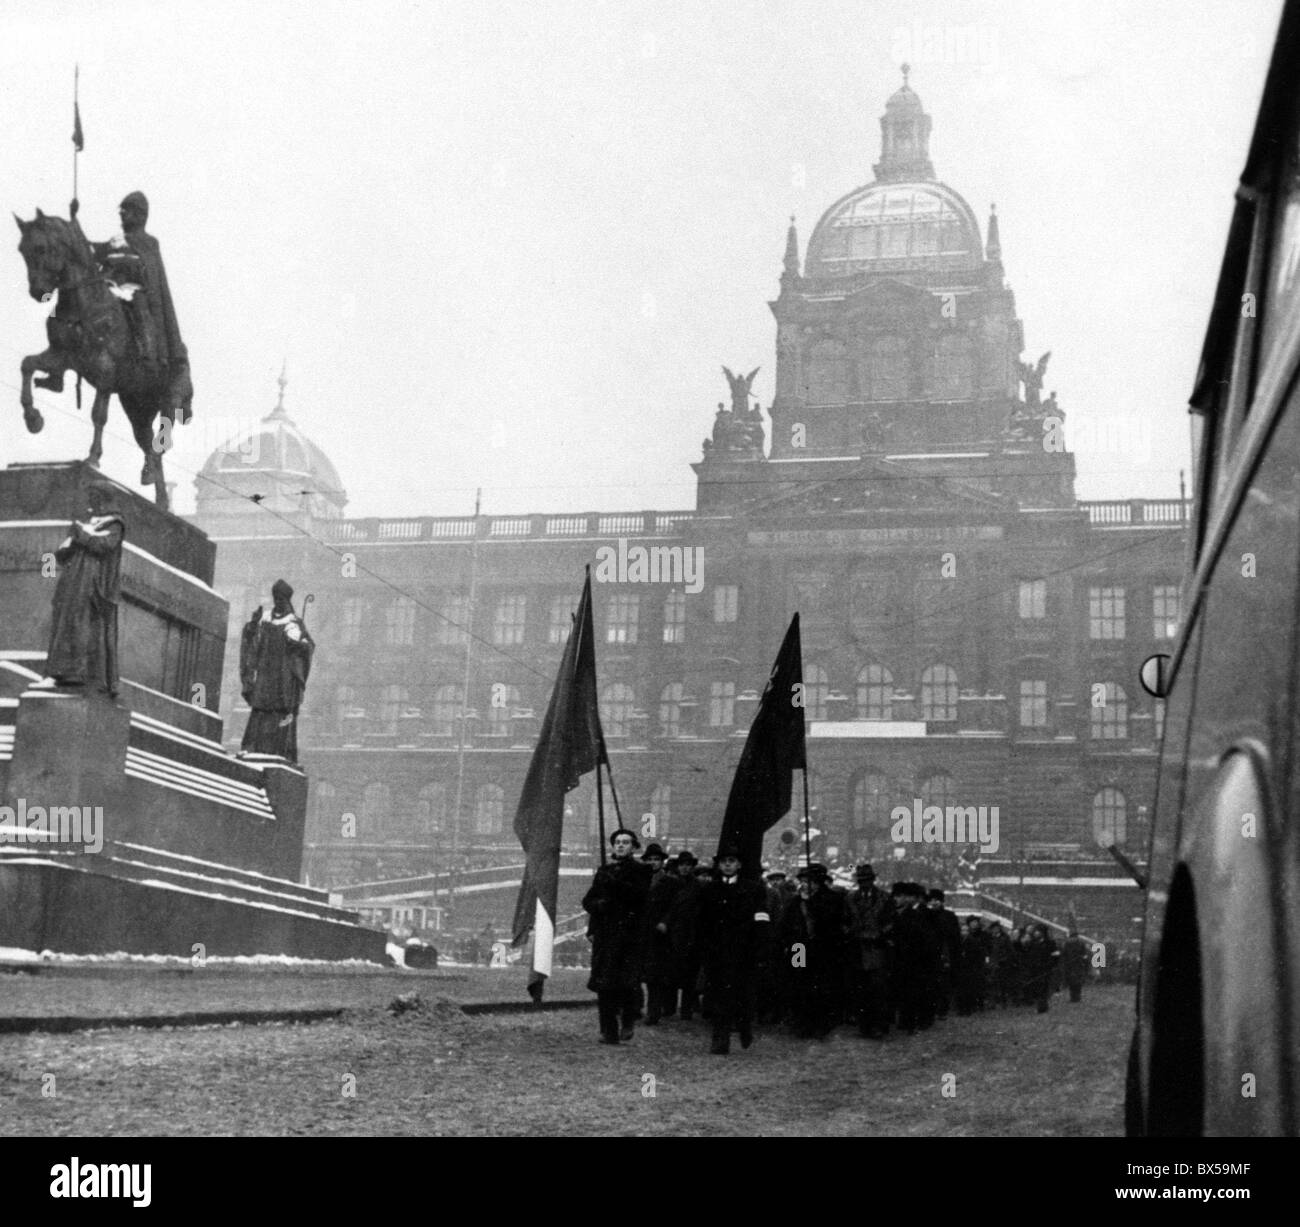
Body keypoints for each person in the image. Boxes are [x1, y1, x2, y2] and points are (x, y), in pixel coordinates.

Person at [90, 191, 191, 418]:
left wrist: (120, 261)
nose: (122, 215)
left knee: (140, 311)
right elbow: (94, 251)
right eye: (122, 211)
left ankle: (148, 354)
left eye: (127, 211)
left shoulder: (149, 242)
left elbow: (144, 269)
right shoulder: (117, 240)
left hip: (137, 293)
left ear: (140, 215)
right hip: (113, 290)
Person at [43, 484, 125, 697]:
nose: (91, 502)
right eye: (90, 497)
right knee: (67, 623)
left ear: (104, 499)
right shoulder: (87, 523)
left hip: (93, 585)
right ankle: (61, 670)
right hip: (73, 582)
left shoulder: (115, 523)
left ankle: (80, 672)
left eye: (95, 497)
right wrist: (68, 543)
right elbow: (62, 553)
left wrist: (81, 535)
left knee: (83, 626)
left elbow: (104, 546)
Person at [583, 828, 654, 1044]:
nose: (621, 845)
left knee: (626, 983)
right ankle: (608, 1030)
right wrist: (599, 905)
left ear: (633, 847)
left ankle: (628, 1018)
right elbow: (588, 901)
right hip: (606, 935)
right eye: (617, 842)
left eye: (625, 842)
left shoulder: (641, 871)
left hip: (629, 936)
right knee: (604, 984)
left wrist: (615, 885)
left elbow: (639, 896)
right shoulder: (604, 871)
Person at [697, 845, 769, 1054]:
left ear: (739, 865)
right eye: (724, 862)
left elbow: (762, 918)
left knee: (742, 994)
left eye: (732, 861)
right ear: (719, 866)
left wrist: (759, 946)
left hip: (743, 951)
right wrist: (704, 946)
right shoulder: (710, 890)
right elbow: (702, 920)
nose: (727, 865)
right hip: (717, 951)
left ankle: (745, 1027)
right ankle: (720, 1039)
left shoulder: (753, 889)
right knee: (718, 996)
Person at [239, 579, 315, 762]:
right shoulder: (264, 620)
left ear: (287, 600)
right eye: (276, 598)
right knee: (260, 712)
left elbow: (309, 647)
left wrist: (297, 645)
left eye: (282, 599)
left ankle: (281, 752)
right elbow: (251, 642)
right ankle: (254, 748)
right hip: (265, 677)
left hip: (283, 678)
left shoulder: (295, 622)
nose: (278, 602)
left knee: (281, 714)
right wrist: (251, 627)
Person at [779, 862, 846, 1039]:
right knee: (797, 983)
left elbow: (833, 922)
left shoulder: (832, 899)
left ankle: (820, 1024)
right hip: (798, 948)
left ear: (819, 882)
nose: (806, 884)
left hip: (822, 948)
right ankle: (800, 1022)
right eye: (803, 880)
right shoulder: (795, 901)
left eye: (810, 881)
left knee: (820, 986)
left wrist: (812, 904)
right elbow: (785, 924)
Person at [844, 863, 894, 1038]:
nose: (863, 884)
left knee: (878, 990)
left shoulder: (885, 898)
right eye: (861, 881)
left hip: (876, 950)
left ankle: (878, 1026)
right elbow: (844, 921)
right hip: (857, 949)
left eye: (867, 880)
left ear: (873, 880)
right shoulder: (850, 898)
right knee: (860, 989)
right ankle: (864, 1026)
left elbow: (891, 922)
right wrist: (850, 932)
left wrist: (879, 933)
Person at [641, 843, 680, 1024]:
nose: (653, 863)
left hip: (659, 934)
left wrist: (665, 922)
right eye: (649, 859)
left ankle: (653, 1011)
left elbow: (675, 907)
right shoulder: (638, 880)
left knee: (654, 976)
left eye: (656, 859)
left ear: (662, 862)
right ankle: (633, 1008)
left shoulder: (671, 882)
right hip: (640, 931)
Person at [926, 889, 963, 1020]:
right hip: (930, 953)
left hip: (944, 952)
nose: (934, 903)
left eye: (936, 900)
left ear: (941, 902)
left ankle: (942, 1010)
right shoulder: (926, 915)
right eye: (931, 900)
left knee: (943, 983)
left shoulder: (949, 916)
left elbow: (955, 937)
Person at [1061, 927, 1090, 1003]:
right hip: (1079, 964)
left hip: (1069, 965)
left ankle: (1073, 997)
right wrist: (1084, 962)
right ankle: (1077, 996)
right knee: (1078, 982)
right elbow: (1084, 955)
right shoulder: (1081, 943)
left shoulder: (1067, 943)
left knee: (1071, 982)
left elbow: (1064, 954)